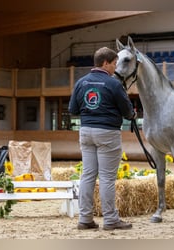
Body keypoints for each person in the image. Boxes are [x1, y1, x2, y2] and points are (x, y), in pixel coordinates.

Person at [68, 47, 136, 231]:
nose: (115, 68)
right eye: (114, 64)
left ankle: (85, 218)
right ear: (105, 63)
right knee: (107, 177)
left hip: (86, 131)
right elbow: (128, 111)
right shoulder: (113, 84)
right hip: (107, 133)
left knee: (88, 175)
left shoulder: (81, 82)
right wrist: (132, 114)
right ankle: (111, 219)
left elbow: (73, 110)